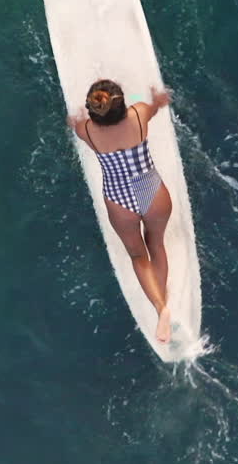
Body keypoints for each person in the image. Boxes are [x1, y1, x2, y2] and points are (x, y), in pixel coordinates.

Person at [67, 79, 175, 343]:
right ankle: (162, 301)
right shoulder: (138, 113)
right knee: (156, 244)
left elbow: (75, 123)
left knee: (138, 255)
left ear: (95, 110)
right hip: (150, 191)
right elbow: (156, 105)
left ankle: (161, 308)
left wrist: (78, 117)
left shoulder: (87, 130)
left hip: (119, 199)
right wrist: (156, 99)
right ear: (122, 104)